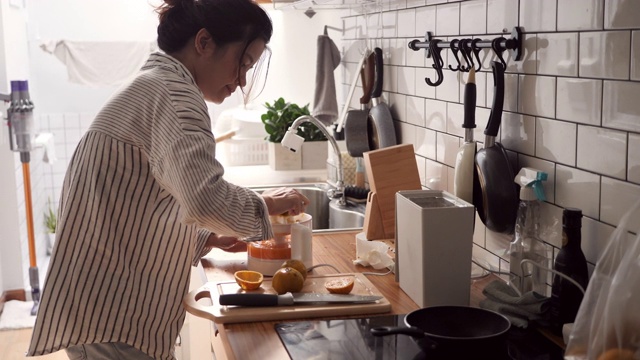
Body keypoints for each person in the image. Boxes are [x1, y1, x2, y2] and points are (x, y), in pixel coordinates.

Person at [27, 1, 309, 359]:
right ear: (204, 43)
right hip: (114, 316)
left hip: (102, 306)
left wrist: (208, 236)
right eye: (243, 63)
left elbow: (140, 202)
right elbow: (205, 200)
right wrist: (266, 205)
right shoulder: (176, 97)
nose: (240, 82)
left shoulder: (156, 86)